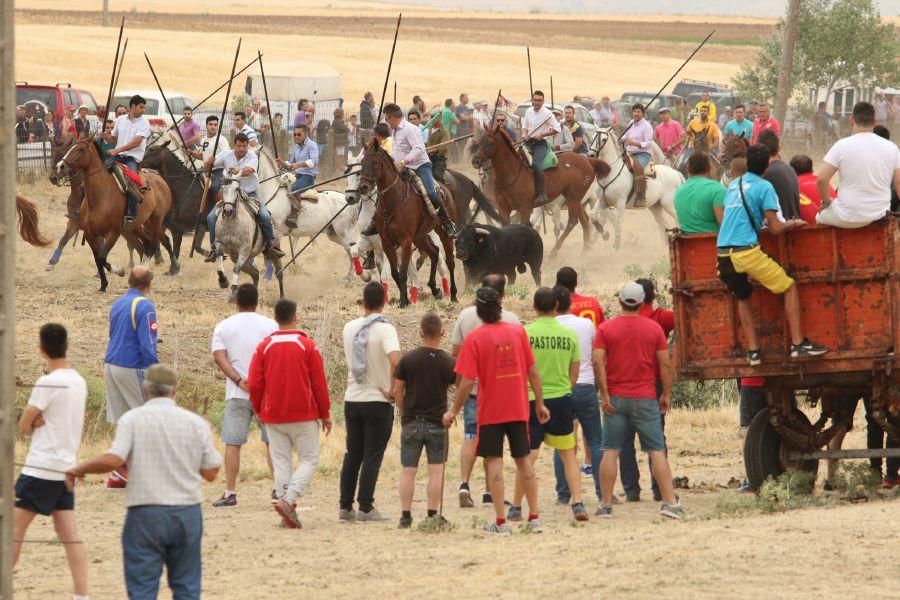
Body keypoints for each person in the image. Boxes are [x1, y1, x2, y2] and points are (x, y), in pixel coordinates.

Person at [66, 364, 222, 600]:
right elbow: (211, 473)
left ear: (146, 389)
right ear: (174, 390)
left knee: (142, 587)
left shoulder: (133, 419)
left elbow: (114, 459)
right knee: (187, 586)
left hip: (145, 512)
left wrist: (79, 469)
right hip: (187, 512)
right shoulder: (195, 423)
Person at [444, 286, 548, 535]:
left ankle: (500, 522)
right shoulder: (517, 332)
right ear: (500, 306)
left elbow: (466, 381)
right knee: (524, 461)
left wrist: (454, 410)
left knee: (495, 463)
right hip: (519, 407)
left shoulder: (475, 338)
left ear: (479, 311)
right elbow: (533, 370)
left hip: (490, 410)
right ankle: (534, 518)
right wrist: (541, 403)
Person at [717, 144, 828, 365]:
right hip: (745, 251)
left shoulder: (734, 185)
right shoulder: (765, 186)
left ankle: (754, 351)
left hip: (722, 253)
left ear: (747, 163)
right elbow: (776, 228)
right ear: (767, 165)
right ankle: (798, 344)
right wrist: (794, 223)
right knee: (788, 286)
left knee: (743, 296)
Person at [595, 282, 685, 519]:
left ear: (620, 301)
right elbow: (665, 363)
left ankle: (605, 504)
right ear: (645, 300)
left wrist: (604, 394)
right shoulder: (654, 328)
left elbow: (597, 361)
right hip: (645, 397)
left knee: (611, 450)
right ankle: (669, 502)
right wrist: (666, 393)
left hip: (615, 397)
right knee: (656, 450)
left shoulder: (606, 329)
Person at [14, 324, 89, 600]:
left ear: (41, 348)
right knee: (69, 534)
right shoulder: (79, 381)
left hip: (41, 468)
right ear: (67, 345)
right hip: (66, 467)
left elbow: (23, 425)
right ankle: (82, 594)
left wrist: (32, 419)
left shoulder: (48, 382)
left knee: (12, 530)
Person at [248, 298, 331, 529]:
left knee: (282, 462)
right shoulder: (307, 345)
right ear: (296, 317)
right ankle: (288, 500)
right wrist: (325, 413)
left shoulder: (264, 347)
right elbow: (319, 383)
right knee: (310, 459)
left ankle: (287, 508)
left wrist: (258, 408)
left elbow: (255, 383)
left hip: (273, 414)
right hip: (303, 414)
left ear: (275, 319)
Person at [508, 287, 586, 523]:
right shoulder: (569, 335)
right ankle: (578, 503)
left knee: (528, 456)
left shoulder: (524, 334)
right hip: (561, 398)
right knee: (568, 455)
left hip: (531, 400)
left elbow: (518, 369)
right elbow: (574, 374)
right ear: (556, 307)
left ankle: (515, 506)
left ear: (534, 307)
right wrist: (565, 391)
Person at [451, 274, 521, 508]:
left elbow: (456, 354)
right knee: (495, 440)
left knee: (471, 435)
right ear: (502, 295)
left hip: (472, 389)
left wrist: (458, 389)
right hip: (501, 391)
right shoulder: (512, 319)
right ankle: (490, 492)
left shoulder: (464, 316)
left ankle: (464, 483)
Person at [209, 283, 278, 507]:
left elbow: (220, 358)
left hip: (237, 392)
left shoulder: (223, 326)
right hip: (266, 393)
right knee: (273, 442)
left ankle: (230, 492)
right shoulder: (271, 325)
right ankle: (278, 490)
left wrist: (239, 380)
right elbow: (277, 356)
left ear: (236, 301)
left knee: (232, 443)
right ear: (257, 301)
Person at [339, 282, 401, 522]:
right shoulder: (386, 330)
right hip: (377, 399)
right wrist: (393, 389)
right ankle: (366, 506)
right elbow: (396, 361)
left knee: (352, 454)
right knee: (372, 455)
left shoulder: (349, 327)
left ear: (362, 302)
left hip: (352, 397)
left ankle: (345, 506)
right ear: (385, 301)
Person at [392, 313, 456, 529]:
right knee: (436, 471)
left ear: (420, 332)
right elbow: (455, 385)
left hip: (412, 420)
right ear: (442, 333)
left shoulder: (407, 359)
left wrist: (404, 412)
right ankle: (431, 514)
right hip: (438, 422)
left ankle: (405, 516)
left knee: (408, 470)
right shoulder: (448, 361)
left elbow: (397, 390)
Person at [619, 278, 675, 502]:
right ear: (651, 296)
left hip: (623, 385)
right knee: (655, 439)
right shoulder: (662, 318)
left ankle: (631, 490)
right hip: (653, 384)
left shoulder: (618, 323)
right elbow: (687, 318)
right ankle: (660, 490)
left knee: (624, 440)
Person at [103, 266, 158, 488]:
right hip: (132, 365)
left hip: (111, 363)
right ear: (149, 284)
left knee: (123, 420)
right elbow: (147, 344)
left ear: (128, 282)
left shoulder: (118, 303)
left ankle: (120, 472)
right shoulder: (145, 306)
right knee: (146, 418)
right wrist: (156, 370)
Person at [552, 286, 604, 509]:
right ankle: (603, 492)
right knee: (595, 441)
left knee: (562, 443)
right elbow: (597, 355)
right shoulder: (586, 325)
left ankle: (563, 494)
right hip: (586, 385)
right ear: (570, 304)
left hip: (561, 389)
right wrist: (602, 387)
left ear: (555, 305)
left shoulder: (551, 327)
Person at [816, 102, 900, 229]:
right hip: (879, 214)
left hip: (845, 216)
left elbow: (822, 179)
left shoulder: (841, 145)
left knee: (819, 216)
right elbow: (898, 182)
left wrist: (827, 202)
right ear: (874, 121)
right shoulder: (892, 148)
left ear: (851, 121)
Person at [204, 132, 283, 261]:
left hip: (249, 194)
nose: (241, 149)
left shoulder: (252, 156)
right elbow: (207, 168)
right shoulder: (225, 155)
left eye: (244, 146)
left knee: (265, 215)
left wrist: (238, 171)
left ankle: (270, 246)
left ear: (247, 146)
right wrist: (209, 162)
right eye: (239, 146)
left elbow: (249, 170)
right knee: (211, 218)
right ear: (234, 145)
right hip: (231, 195)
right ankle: (214, 249)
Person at [382, 103, 457, 237]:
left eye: (387, 119)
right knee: (385, 189)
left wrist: (404, 161)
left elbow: (418, 148)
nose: (386, 122)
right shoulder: (394, 131)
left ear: (393, 117)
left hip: (420, 166)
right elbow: (397, 152)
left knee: (431, 193)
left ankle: (447, 222)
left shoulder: (410, 129)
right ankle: (376, 222)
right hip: (402, 168)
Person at [100, 94, 151, 227]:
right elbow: (114, 138)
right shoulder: (121, 120)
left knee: (131, 182)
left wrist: (116, 151)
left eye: (144, 107)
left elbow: (136, 143)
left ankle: (131, 215)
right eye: (141, 107)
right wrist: (105, 136)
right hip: (118, 156)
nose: (143, 110)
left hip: (132, 159)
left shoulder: (145, 123)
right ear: (133, 106)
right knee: (99, 174)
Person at [522, 90, 560, 207]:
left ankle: (543, 193)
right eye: (535, 100)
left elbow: (557, 128)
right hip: (528, 142)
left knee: (536, 164)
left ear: (543, 101)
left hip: (541, 143)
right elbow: (525, 127)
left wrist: (542, 135)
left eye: (539, 100)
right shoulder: (528, 111)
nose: (537, 102)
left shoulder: (547, 114)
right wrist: (524, 134)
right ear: (532, 100)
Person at [674, 151, 726, 234]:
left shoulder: (678, 191)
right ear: (709, 168)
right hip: (712, 243)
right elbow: (723, 223)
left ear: (688, 169)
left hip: (686, 244)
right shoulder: (717, 189)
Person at [282, 124, 319, 229]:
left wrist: (298, 165)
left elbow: (314, 161)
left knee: (294, 188)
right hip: (298, 175)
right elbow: (290, 164)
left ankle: (294, 215)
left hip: (308, 176)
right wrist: (281, 162)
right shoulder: (295, 148)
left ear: (306, 133)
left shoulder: (312, 145)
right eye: (294, 134)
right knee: (283, 186)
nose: (296, 137)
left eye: (299, 134)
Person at [758, 130, 801, 220]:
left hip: (779, 228)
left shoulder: (765, 174)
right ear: (778, 148)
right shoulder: (790, 169)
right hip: (795, 223)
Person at [622, 103, 654, 207]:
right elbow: (625, 136)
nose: (636, 113)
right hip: (629, 153)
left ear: (643, 113)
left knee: (637, 168)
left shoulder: (647, 126)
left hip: (643, 154)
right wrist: (619, 139)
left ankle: (641, 197)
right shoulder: (631, 123)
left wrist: (635, 143)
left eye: (638, 112)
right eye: (635, 111)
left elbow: (648, 143)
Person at [790, 154, 835, 223]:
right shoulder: (824, 182)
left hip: (814, 226)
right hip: (833, 222)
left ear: (792, 171)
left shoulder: (793, 184)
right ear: (812, 169)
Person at [426, 110, 451, 182]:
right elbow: (429, 142)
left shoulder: (444, 132)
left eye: (434, 117)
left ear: (440, 119)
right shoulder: (430, 129)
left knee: (436, 175)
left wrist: (429, 150)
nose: (431, 119)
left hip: (438, 158)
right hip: (427, 156)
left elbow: (443, 147)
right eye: (430, 117)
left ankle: (441, 191)